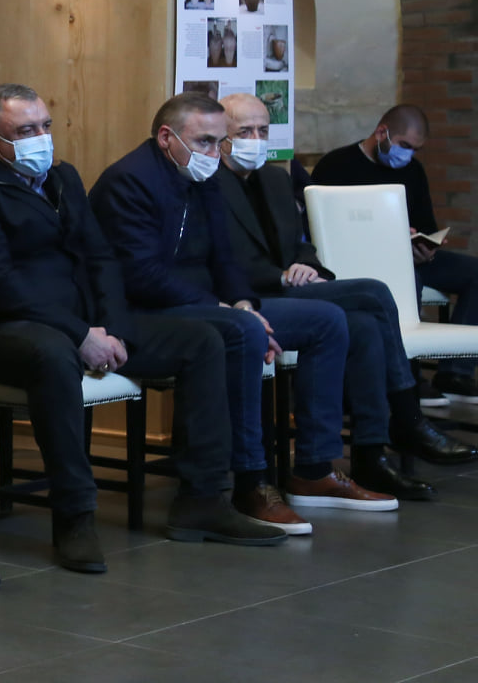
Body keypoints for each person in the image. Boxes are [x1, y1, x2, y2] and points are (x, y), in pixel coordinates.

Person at [0, 84, 287, 567]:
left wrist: (112, 327)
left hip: (79, 322)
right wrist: (80, 336)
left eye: (45, 126)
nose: (41, 138)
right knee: (52, 355)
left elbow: (100, 258)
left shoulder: (62, 178)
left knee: (207, 339)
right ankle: (75, 515)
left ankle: (202, 499)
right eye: (26, 130)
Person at [90, 92, 394, 535]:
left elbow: (225, 260)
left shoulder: (203, 176)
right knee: (242, 332)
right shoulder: (129, 181)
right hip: (148, 312)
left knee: (327, 321)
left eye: (219, 142)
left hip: (208, 306)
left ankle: (313, 469)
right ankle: (252, 481)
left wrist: (243, 303)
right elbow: (142, 275)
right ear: (166, 137)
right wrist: (229, 312)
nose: (215, 152)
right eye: (205, 141)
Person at [219, 93, 470, 478]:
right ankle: (408, 418)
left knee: (365, 324)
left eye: (263, 131)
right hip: (250, 297)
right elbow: (223, 259)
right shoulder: (210, 185)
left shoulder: (274, 178)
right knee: (372, 292)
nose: (256, 139)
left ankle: (370, 454)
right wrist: (282, 275)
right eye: (244, 132)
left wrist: (307, 265)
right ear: (222, 137)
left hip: (296, 288)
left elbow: (300, 243)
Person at [310, 106, 478, 392]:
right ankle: (406, 379)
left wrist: (426, 247)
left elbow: (426, 225)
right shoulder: (336, 165)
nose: (408, 155)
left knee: (473, 272)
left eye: (415, 149)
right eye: (404, 145)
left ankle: (455, 372)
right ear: (381, 133)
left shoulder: (413, 171)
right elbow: (321, 228)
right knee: (408, 281)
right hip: (357, 260)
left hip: (409, 257)